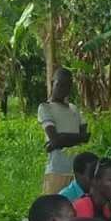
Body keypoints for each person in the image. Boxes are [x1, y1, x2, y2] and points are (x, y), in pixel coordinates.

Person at [38, 66, 90, 194]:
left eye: (67, 86)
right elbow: (54, 138)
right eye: (59, 84)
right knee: (53, 210)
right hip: (57, 171)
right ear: (52, 83)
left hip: (77, 173)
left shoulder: (74, 109)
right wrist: (71, 139)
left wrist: (62, 140)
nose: (63, 89)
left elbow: (86, 137)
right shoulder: (45, 108)